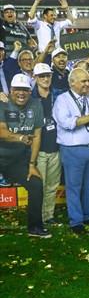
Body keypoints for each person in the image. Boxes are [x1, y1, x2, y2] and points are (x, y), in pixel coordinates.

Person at [52, 68, 89, 234]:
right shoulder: (62, 100)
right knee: (74, 187)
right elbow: (67, 123)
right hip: (73, 149)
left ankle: (88, 215)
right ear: (72, 82)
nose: (88, 84)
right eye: (84, 81)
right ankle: (76, 221)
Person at [0, 74, 48, 237]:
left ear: (30, 91)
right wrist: (20, 137)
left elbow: (37, 136)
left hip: (16, 160)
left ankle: (34, 228)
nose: (21, 93)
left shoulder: (36, 105)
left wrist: (32, 165)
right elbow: (1, 131)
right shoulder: (2, 102)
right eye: (17, 89)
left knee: (35, 184)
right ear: (11, 90)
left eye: (25, 90)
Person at [31, 63, 61, 224]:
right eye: (41, 76)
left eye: (48, 75)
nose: (45, 79)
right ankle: (37, 216)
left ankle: (48, 216)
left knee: (52, 185)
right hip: (39, 149)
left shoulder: (58, 94)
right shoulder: (30, 97)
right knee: (39, 186)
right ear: (35, 78)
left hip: (55, 146)